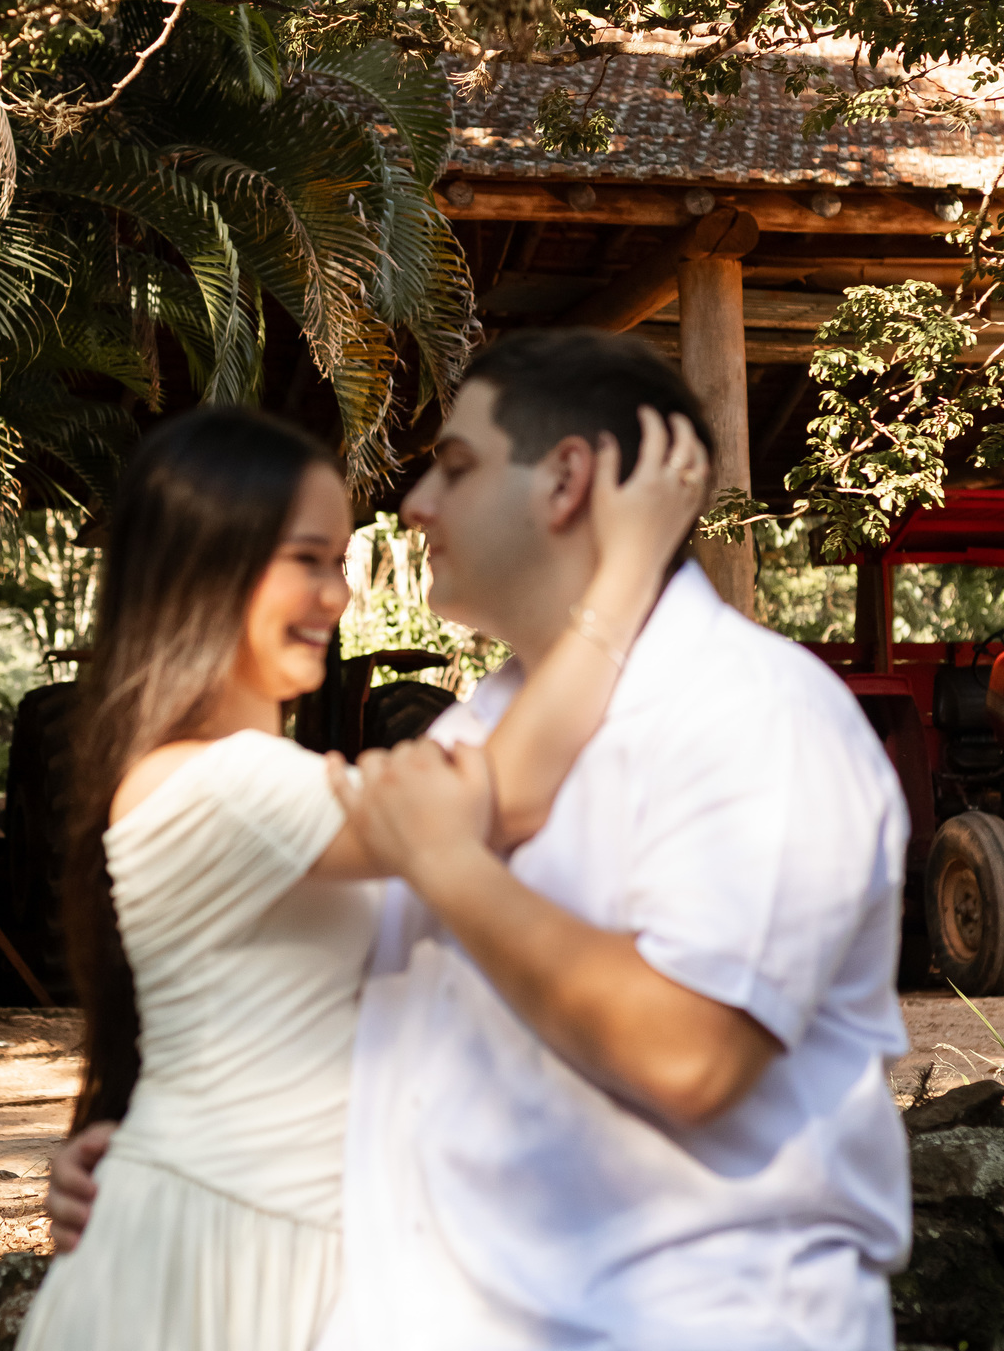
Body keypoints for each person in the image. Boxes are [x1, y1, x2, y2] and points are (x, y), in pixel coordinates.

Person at [49, 330, 910, 1350]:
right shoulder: (461, 737)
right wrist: (169, 1148)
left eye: (453, 467)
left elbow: (689, 1053)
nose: (409, 510)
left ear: (568, 482)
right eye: (309, 560)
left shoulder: (747, 714)